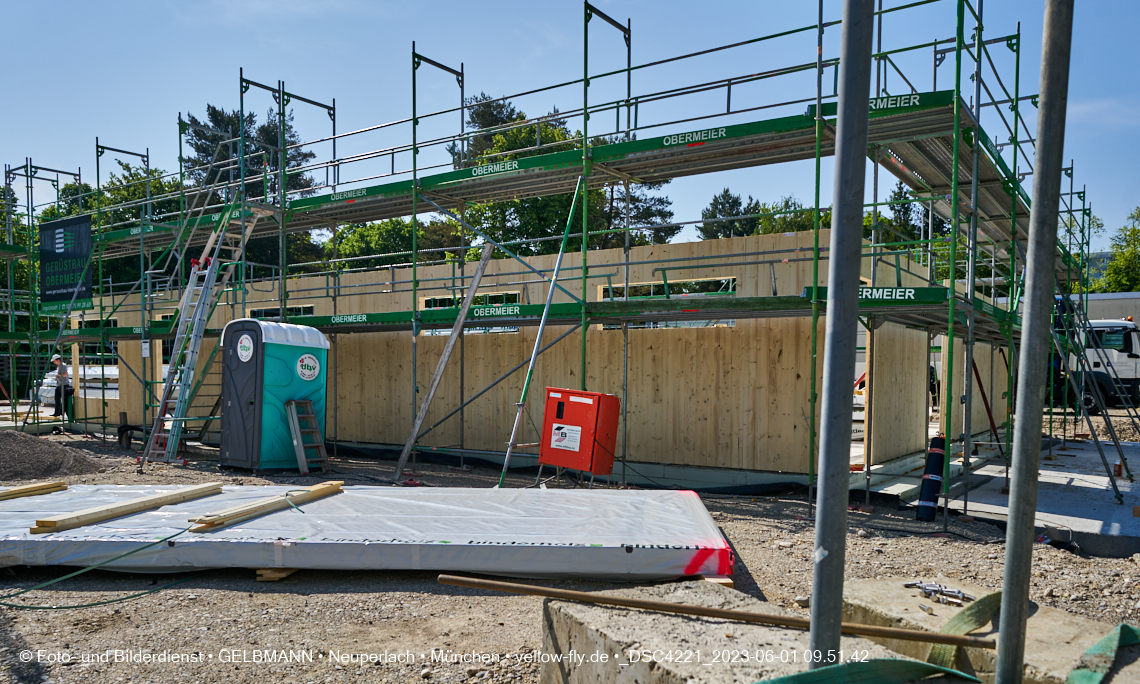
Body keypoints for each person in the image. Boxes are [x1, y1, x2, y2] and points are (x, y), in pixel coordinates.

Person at [50, 354, 71, 418]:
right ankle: (57, 413)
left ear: (58, 360)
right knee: (57, 399)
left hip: (64, 385)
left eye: (54, 361)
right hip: (59, 384)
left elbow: (65, 374)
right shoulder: (59, 366)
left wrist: (58, 375)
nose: (54, 362)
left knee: (64, 400)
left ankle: (61, 412)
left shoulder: (63, 366)